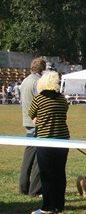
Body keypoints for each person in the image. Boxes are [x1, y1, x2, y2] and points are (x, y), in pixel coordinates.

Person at [27, 71, 70, 214]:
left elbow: (32, 115)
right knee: (59, 173)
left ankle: (47, 206)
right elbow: (63, 114)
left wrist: (40, 120)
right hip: (63, 139)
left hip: (45, 139)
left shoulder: (39, 99)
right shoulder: (63, 99)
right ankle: (59, 204)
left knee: (46, 173)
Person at [19, 56, 46, 197]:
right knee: (38, 158)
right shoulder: (38, 82)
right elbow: (41, 103)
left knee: (28, 156)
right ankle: (35, 189)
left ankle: (23, 186)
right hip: (37, 123)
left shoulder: (24, 81)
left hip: (27, 121)